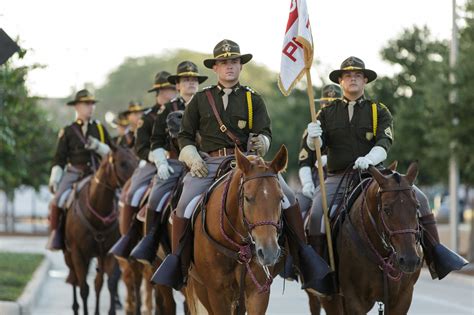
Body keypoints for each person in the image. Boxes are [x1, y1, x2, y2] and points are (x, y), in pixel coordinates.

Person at [152, 39, 328, 290]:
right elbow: (185, 135)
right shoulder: (201, 99)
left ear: (240, 66)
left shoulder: (252, 98)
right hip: (209, 162)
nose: (229, 67)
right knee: (184, 204)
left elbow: (265, 131)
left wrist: (262, 143)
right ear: (215, 68)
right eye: (224, 63)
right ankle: (178, 263)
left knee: (288, 197)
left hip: (248, 163)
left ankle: (301, 256)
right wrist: (192, 156)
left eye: (234, 61)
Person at [306, 56, 468, 294]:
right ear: (341, 81)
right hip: (338, 176)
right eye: (348, 75)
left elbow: (385, 140)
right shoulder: (327, 113)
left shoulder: (377, 110)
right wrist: (313, 138)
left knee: (419, 198)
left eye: (358, 75)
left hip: (375, 173)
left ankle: (436, 256)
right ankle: (322, 274)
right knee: (318, 210)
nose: (353, 79)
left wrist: (370, 159)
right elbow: (316, 147)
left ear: (365, 81)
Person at [130, 61, 208, 264]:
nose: (190, 83)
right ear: (178, 85)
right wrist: (161, 163)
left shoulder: (209, 104)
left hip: (206, 161)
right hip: (174, 163)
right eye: (185, 80)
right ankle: (150, 242)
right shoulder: (167, 109)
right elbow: (155, 141)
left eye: (194, 80)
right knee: (155, 196)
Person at [109, 71, 177, 259]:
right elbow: (140, 148)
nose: (172, 92)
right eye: (168, 89)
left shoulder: (184, 110)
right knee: (133, 193)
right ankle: (129, 237)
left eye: (173, 88)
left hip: (180, 161)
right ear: (159, 91)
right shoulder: (148, 117)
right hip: (152, 163)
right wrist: (157, 157)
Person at [47, 89, 112, 250]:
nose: (90, 107)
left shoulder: (100, 128)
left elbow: (112, 152)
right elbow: (59, 158)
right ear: (76, 107)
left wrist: (98, 146)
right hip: (74, 172)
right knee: (57, 201)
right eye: (86, 104)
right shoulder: (68, 131)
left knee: (117, 197)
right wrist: (55, 178)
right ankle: (56, 236)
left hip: (96, 172)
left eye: (91, 104)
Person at [296, 84, 342, 218]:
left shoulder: (347, 126)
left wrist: (331, 158)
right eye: (326, 104)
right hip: (317, 179)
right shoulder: (311, 130)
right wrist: (307, 183)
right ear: (321, 105)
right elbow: (304, 161)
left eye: (333, 104)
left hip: (342, 176)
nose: (328, 107)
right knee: (298, 208)